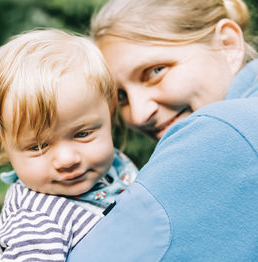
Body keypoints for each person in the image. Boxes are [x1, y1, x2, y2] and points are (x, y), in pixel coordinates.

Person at [67, 0, 258, 261]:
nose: (138, 113)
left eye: (155, 71)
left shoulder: (221, 131)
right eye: (121, 97)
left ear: (226, 44)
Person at [0, 29, 138, 262]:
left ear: (109, 112)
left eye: (82, 134)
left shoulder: (113, 165)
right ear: (5, 145)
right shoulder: (36, 224)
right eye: (37, 147)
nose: (67, 159)